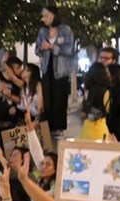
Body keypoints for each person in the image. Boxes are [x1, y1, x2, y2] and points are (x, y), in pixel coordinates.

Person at [36, 5, 75, 138]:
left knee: (60, 98)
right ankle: (47, 127)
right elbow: (37, 50)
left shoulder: (65, 30)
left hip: (61, 70)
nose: (44, 19)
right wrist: (42, 48)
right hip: (47, 69)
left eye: (46, 16)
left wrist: (52, 47)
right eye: (43, 16)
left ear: (53, 16)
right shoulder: (42, 31)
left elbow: (69, 49)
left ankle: (59, 127)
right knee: (47, 98)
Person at [80, 62, 111, 140]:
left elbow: (84, 113)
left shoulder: (91, 91)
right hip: (102, 128)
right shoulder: (107, 91)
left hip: (89, 129)